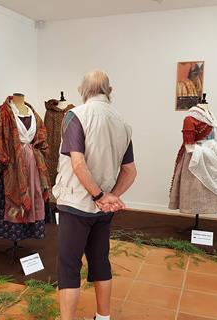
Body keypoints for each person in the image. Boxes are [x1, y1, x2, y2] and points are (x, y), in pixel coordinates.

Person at [53, 70, 137, 320]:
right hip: (102, 210)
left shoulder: (75, 116)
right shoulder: (122, 123)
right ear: (109, 91)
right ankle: (103, 317)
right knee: (100, 261)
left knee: (69, 266)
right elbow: (131, 171)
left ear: (82, 90)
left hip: (76, 204)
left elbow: (78, 164)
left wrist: (101, 195)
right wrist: (110, 197)